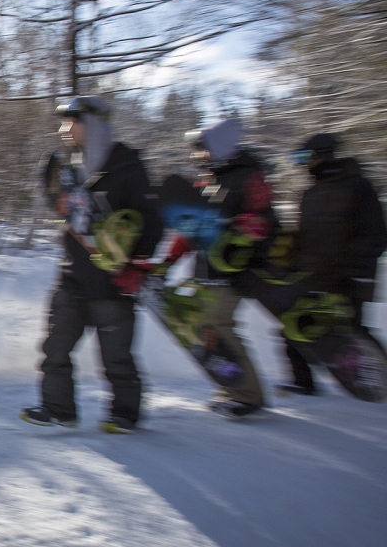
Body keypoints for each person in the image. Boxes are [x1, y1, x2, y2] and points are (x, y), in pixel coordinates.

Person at [23, 96, 163, 434]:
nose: (65, 130)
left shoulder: (128, 168)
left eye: (73, 122)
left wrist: (130, 253)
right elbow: (63, 214)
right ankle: (58, 410)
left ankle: (124, 415)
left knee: (116, 358)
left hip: (113, 283)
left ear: (94, 124)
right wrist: (52, 191)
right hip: (73, 278)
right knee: (55, 349)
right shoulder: (68, 170)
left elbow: (152, 224)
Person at [182, 117, 277, 419]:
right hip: (207, 269)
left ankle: (248, 395)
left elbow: (266, 222)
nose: (197, 157)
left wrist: (245, 232)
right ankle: (231, 385)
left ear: (219, 148)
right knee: (209, 331)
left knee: (219, 326)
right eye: (195, 152)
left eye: (202, 150)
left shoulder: (249, 178)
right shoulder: (209, 180)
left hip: (234, 270)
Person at [280, 132, 387, 395]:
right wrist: (291, 259)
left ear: (323, 156)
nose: (303, 164)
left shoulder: (358, 187)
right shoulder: (310, 194)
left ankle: (376, 379)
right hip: (315, 275)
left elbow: (375, 234)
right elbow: (305, 236)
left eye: (306, 158)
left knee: (354, 331)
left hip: (349, 277)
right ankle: (302, 383)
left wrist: (357, 272)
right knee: (293, 326)